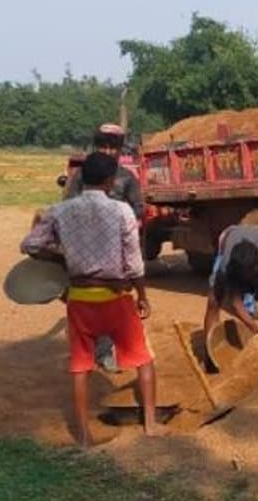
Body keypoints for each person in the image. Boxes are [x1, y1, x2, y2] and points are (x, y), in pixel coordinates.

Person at [21, 152, 161, 447]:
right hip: (116, 297)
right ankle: (150, 426)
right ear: (111, 181)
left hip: (80, 298)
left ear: (82, 178)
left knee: (81, 365)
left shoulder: (59, 211)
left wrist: (61, 257)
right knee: (143, 359)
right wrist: (143, 295)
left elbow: (30, 244)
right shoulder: (122, 212)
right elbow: (134, 264)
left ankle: (84, 436)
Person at [64, 123, 145, 373]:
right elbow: (67, 207)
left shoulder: (127, 178)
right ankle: (99, 351)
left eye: (113, 147)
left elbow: (139, 210)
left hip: (117, 247)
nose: (108, 151)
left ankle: (113, 349)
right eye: (103, 146)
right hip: (87, 247)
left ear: (120, 150)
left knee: (116, 299)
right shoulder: (81, 177)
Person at [202, 224, 258, 366]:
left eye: (248, 275)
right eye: (242, 275)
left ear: (257, 267)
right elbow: (235, 302)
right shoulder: (227, 263)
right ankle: (209, 357)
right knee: (213, 301)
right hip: (228, 236)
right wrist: (251, 324)